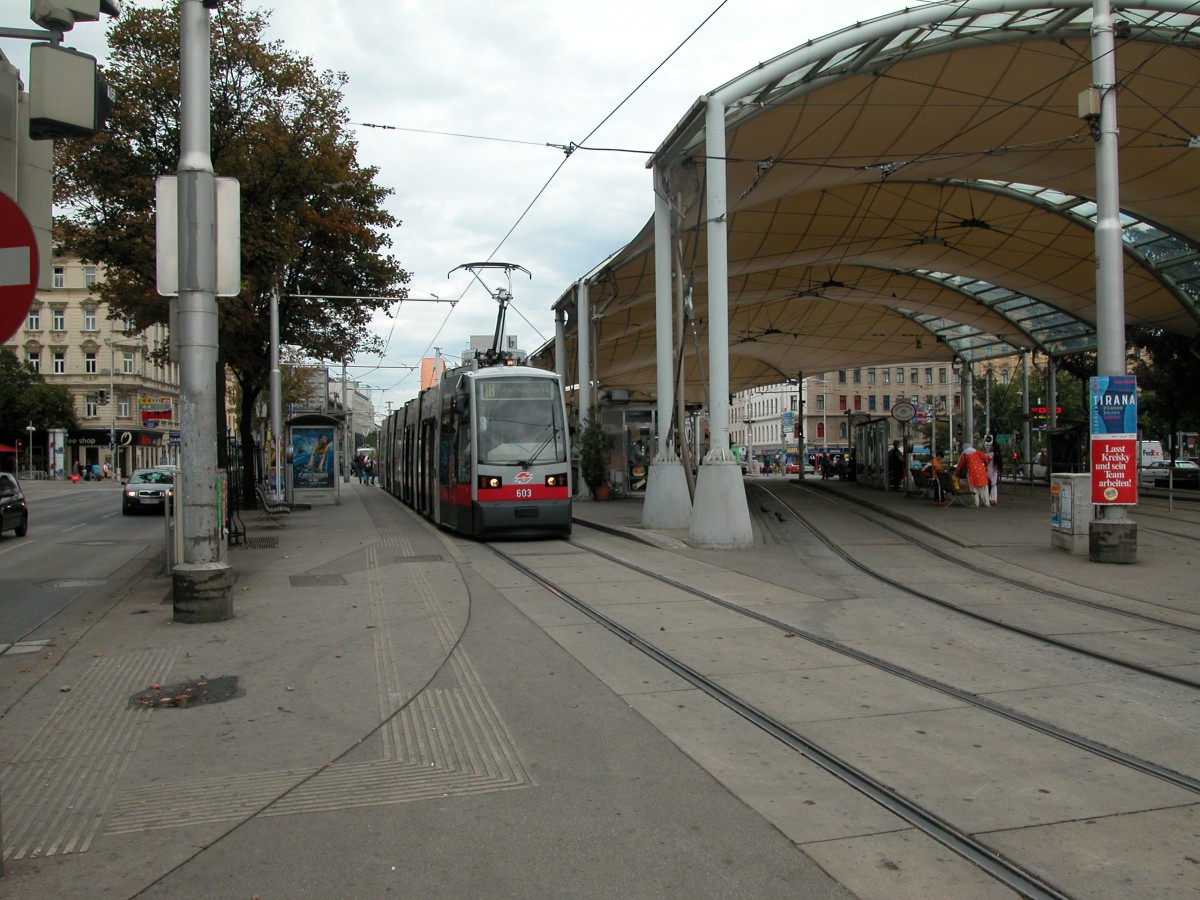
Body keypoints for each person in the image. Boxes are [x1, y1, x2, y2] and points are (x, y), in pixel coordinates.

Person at [954, 442, 990, 507]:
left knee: (973, 488)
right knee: (984, 487)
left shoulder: (964, 454)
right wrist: (985, 466)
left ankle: (976, 503)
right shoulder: (977, 452)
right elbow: (986, 458)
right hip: (981, 471)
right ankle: (987, 503)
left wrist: (956, 473)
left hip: (972, 472)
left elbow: (959, 465)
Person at [985, 438, 1003, 506]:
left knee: (990, 485)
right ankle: (994, 499)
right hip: (995, 471)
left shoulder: (991, 454)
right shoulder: (998, 454)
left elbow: (985, 457)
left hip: (990, 471)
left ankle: (991, 498)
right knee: (994, 485)